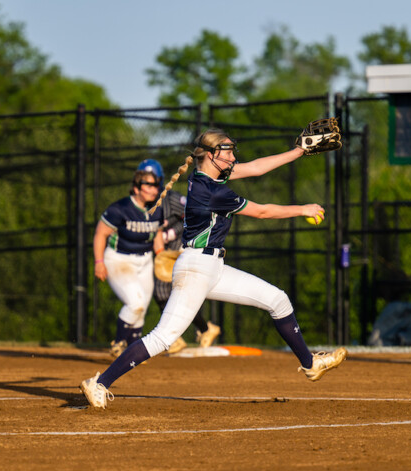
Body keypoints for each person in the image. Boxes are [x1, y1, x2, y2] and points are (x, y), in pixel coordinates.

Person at [80, 128, 347, 409]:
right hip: (196, 269)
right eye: (227, 152)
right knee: (162, 337)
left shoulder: (203, 176)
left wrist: (299, 151)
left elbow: (256, 168)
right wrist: (302, 209)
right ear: (210, 155)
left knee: (277, 300)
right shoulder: (213, 191)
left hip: (213, 267)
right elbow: (262, 211)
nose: (233, 157)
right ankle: (99, 383)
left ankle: (311, 364)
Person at [139, 159, 222, 354]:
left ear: (159, 182)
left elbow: (195, 218)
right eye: (143, 181)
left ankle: (188, 334)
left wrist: (169, 234)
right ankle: (200, 330)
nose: (147, 186)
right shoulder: (138, 205)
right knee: (164, 293)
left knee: (174, 290)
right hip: (160, 251)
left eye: (151, 182)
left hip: (180, 246)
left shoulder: (173, 199)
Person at [93, 166, 164, 358]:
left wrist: (162, 255)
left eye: (155, 185)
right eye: (147, 185)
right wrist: (99, 261)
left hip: (146, 260)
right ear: (136, 187)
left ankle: (132, 352)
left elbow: (157, 233)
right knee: (135, 303)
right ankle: (118, 343)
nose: (153, 189)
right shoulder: (120, 208)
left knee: (142, 307)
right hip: (119, 259)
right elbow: (100, 234)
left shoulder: (157, 209)